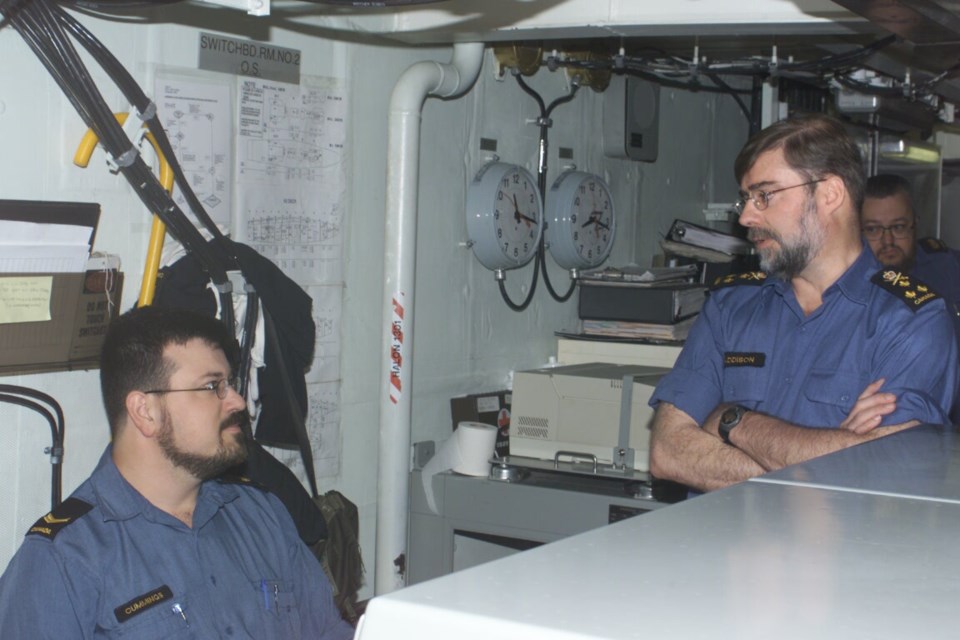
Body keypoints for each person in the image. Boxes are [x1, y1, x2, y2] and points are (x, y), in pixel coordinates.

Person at [0, 306, 354, 639]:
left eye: (230, 384)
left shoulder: (261, 515)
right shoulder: (62, 560)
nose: (237, 402)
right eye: (212, 386)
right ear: (146, 412)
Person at [648, 114, 958, 493]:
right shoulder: (732, 307)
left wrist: (733, 421)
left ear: (829, 193)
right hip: (724, 547)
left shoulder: (910, 320)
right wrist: (829, 460)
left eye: (765, 195)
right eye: (745, 198)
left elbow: (886, 469)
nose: (746, 216)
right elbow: (667, 451)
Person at [861, 173, 960, 333]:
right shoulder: (845, 286)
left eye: (898, 227)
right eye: (873, 229)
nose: (888, 241)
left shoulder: (947, 268)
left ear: (915, 225)